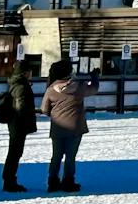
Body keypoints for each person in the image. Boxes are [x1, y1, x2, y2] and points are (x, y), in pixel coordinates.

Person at [40, 59, 99, 192]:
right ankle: (68, 181)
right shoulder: (78, 86)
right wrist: (94, 77)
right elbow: (94, 89)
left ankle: (52, 181)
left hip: (58, 127)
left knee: (56, 155)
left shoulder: (51, 89)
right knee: (70, 156)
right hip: (75, 127)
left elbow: (44, 109)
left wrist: (55, 114)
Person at [0, 59, 37, 192]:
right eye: (30, 71)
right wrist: (25, 123)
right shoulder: (22, 86)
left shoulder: (16, 84)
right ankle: (9, 181)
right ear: (25, 73)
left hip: (15, 123)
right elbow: (21, 108)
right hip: (18, 124)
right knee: (15, 152)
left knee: (14, 152)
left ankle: (9, 179)